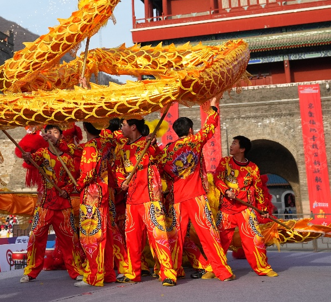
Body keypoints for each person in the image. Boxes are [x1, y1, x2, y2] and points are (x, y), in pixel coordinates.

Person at [154, 98, 235, 281]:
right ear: (190, 130)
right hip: (196, 196)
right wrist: (213, 107)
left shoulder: (168, 150)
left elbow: (162, 171)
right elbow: (210, 127)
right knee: (208, 234)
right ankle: (222, 271)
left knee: (176, 237)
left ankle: (169, 274)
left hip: (177, 199)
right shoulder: (194, 141)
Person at [116, 118, 177, 286]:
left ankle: (168, 273)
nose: (121, 128)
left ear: (133, 127)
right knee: (132, 238)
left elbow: (160, 158)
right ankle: (133, 272)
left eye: (124, 125)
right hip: (132, 199)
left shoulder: (147, 143)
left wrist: (153, 143)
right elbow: (119, 170)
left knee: (159, 236)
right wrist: (122, 182)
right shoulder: (122, 149)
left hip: (151, 197)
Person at [19, 125, 82, 283]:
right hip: (45, 205)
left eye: (55, 132)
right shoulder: (42, 154)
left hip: (63, 205)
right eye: (48, 132)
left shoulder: (68, 158)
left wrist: (66, 191)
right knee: (36, 236)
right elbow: (33, 160)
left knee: (70, 239)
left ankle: (75, 270)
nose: (51, 135)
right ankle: (31, 271)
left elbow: (72, 180)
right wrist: (27, 157)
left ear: (60, 136)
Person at [214, 136, 278, 277]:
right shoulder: (225, 162)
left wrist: (263, 210)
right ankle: (213, 269)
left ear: (242, 149)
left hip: (245, 209)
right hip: (226, 209)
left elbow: (259, 190)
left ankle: (263, 268)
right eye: (232, 142)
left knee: (255, 239)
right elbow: (217, 178)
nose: (231, 146)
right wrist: (226, 190)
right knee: (220, 240)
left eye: (234, 143)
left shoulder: (253, 168)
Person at [74, 122, 118, 287]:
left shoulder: (91, 146)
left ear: (85, 128)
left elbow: (88, 173)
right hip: (104, 193)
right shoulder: (105, 144)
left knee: (91, 236)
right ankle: (108, 273)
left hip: (91, 196)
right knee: (105, 235)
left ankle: (94, 276)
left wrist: (77, 186)